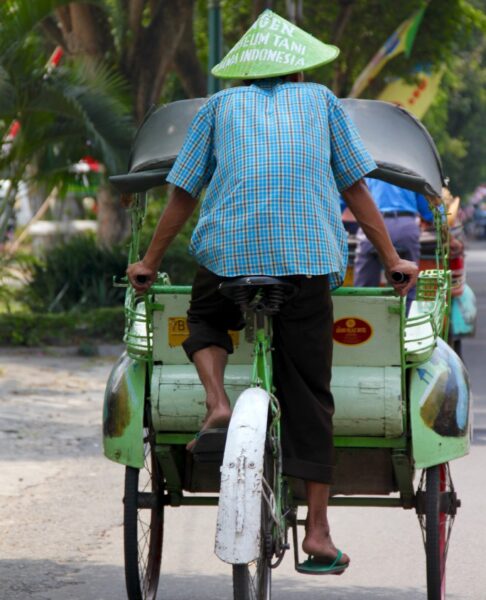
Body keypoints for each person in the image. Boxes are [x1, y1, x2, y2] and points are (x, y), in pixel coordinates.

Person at [127, 9, 418, 575]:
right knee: (310, 390)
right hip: (308, 263)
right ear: (298, 73)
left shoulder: (217, 108)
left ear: (243, 74)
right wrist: (391, 259)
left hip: (228, 258)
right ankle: (319, 532)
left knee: (205, 316)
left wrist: (148, 261)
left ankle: (217, 403)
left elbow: (183, 192)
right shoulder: (322, 104)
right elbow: (356, 186)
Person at [353, 178, 434, 310]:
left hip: (371, 225)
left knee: (363, 286)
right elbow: (427, 209)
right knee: (408, 283)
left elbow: (348, 196)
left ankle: (365, 318)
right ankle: (404, 323)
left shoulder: (365, 169)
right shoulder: (410, 172)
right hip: (406, 225)